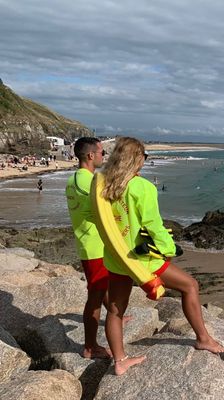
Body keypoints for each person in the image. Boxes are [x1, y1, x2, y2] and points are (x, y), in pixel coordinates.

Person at [101, 136, 224, 376]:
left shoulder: (103, 186)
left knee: (115, 311)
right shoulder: (142, 187)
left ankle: (120, 360)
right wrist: (169, 249)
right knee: (190, 286)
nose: (145, 161)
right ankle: (204, 339)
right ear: (137, 159)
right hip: (142, 259)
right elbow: (154, 225)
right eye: (144, 156)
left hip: (116, 258)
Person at [65, 137, 116, 359]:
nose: (104, 157)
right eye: (102, 153)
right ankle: (90, 346)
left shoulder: (73, 179)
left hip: (89, 243)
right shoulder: (89, 181)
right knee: (95, 295)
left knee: (102, 287)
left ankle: (117, 317)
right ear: (90, 156)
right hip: (94, 246)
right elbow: (109, 208)